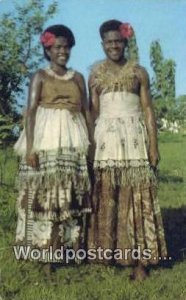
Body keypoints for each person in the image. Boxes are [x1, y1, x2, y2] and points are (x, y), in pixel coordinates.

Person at [87, 20, 167, 281]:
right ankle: (107, 256)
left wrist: (153, 145)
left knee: (137, 199)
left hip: (134, 141)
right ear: (102, 44)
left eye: (117, 41)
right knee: (108, 196)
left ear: (125, 42)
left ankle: (141, 263)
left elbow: (147, 110)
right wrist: (89, 146)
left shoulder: (139, 72)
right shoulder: (95, 75)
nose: (113, 46)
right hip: (106, 144)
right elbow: (93, 112)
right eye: (108, 42)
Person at [14, 24, 92, 275]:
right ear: (48, 50)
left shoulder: (78, 77)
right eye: (57, 47)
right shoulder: (40, 76)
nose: (63, 52)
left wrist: (91, 144)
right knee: (45, 194)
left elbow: (86, 111)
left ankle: (68, 249)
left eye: (66, 47)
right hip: (46, 137)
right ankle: (44, 254)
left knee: (69, 193)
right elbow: (31, 111)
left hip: (72, 136)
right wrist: (30, 147)